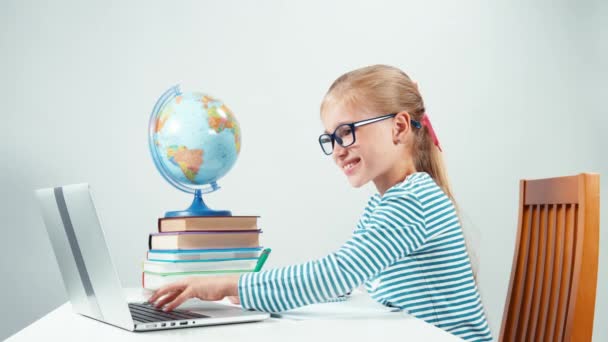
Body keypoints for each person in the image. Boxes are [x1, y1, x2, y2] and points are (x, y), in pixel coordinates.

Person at [148, 64, 493, 341]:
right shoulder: (386, 205)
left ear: (399, 127)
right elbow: (345, 279)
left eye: (347, 131)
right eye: (331, 138)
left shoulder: (414, 201)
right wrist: (255, 292)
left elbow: (336, 272)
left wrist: (228, 284)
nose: (338, 148)